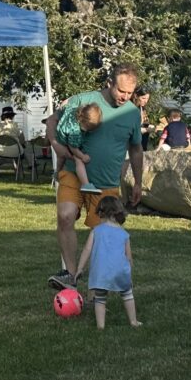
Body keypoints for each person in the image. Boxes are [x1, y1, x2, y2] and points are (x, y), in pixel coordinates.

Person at [45, 64, 143, 289]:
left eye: (130, 93)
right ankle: (69, 274)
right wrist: (56, 145)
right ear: (109, 83)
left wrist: (138, 182)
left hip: (106, 183)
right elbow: (52, 121)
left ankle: (95, 286)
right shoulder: (84, 100)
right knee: (66, 215)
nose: (125, 97)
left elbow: (136, 149)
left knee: (102, 236)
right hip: (73, 173)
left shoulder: (132, 114)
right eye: (121, 91)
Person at [75, 196, 141, 329]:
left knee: (100, 298)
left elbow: (87, 250)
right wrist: (129, 276)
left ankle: (101, 325)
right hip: (120, 272)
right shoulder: (124, 234)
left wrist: (80, 269)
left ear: (101, 213)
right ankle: (133, 321)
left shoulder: (96, 231)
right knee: (127, 295)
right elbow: (129, 257)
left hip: (101, 272)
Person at [51, 102, 103, 193]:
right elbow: (73, 148)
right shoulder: (75, 132)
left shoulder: (74, 110)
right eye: (88, 129)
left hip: (60, 132)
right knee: (78, 160)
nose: (88, 131)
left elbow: (65, 107)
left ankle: (57, 172)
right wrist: (82, 156)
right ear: (82, 122)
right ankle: (85, 184)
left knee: (60, 158)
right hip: (63, 140)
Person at [133, 86, 153, 151]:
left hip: (142, 143)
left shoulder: (142, 108)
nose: (146, 101)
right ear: (136, 96)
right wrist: (142, 130)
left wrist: (149, 126)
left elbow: (144, 122)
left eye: (147, 99)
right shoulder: (130, 109)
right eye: (143, 98)